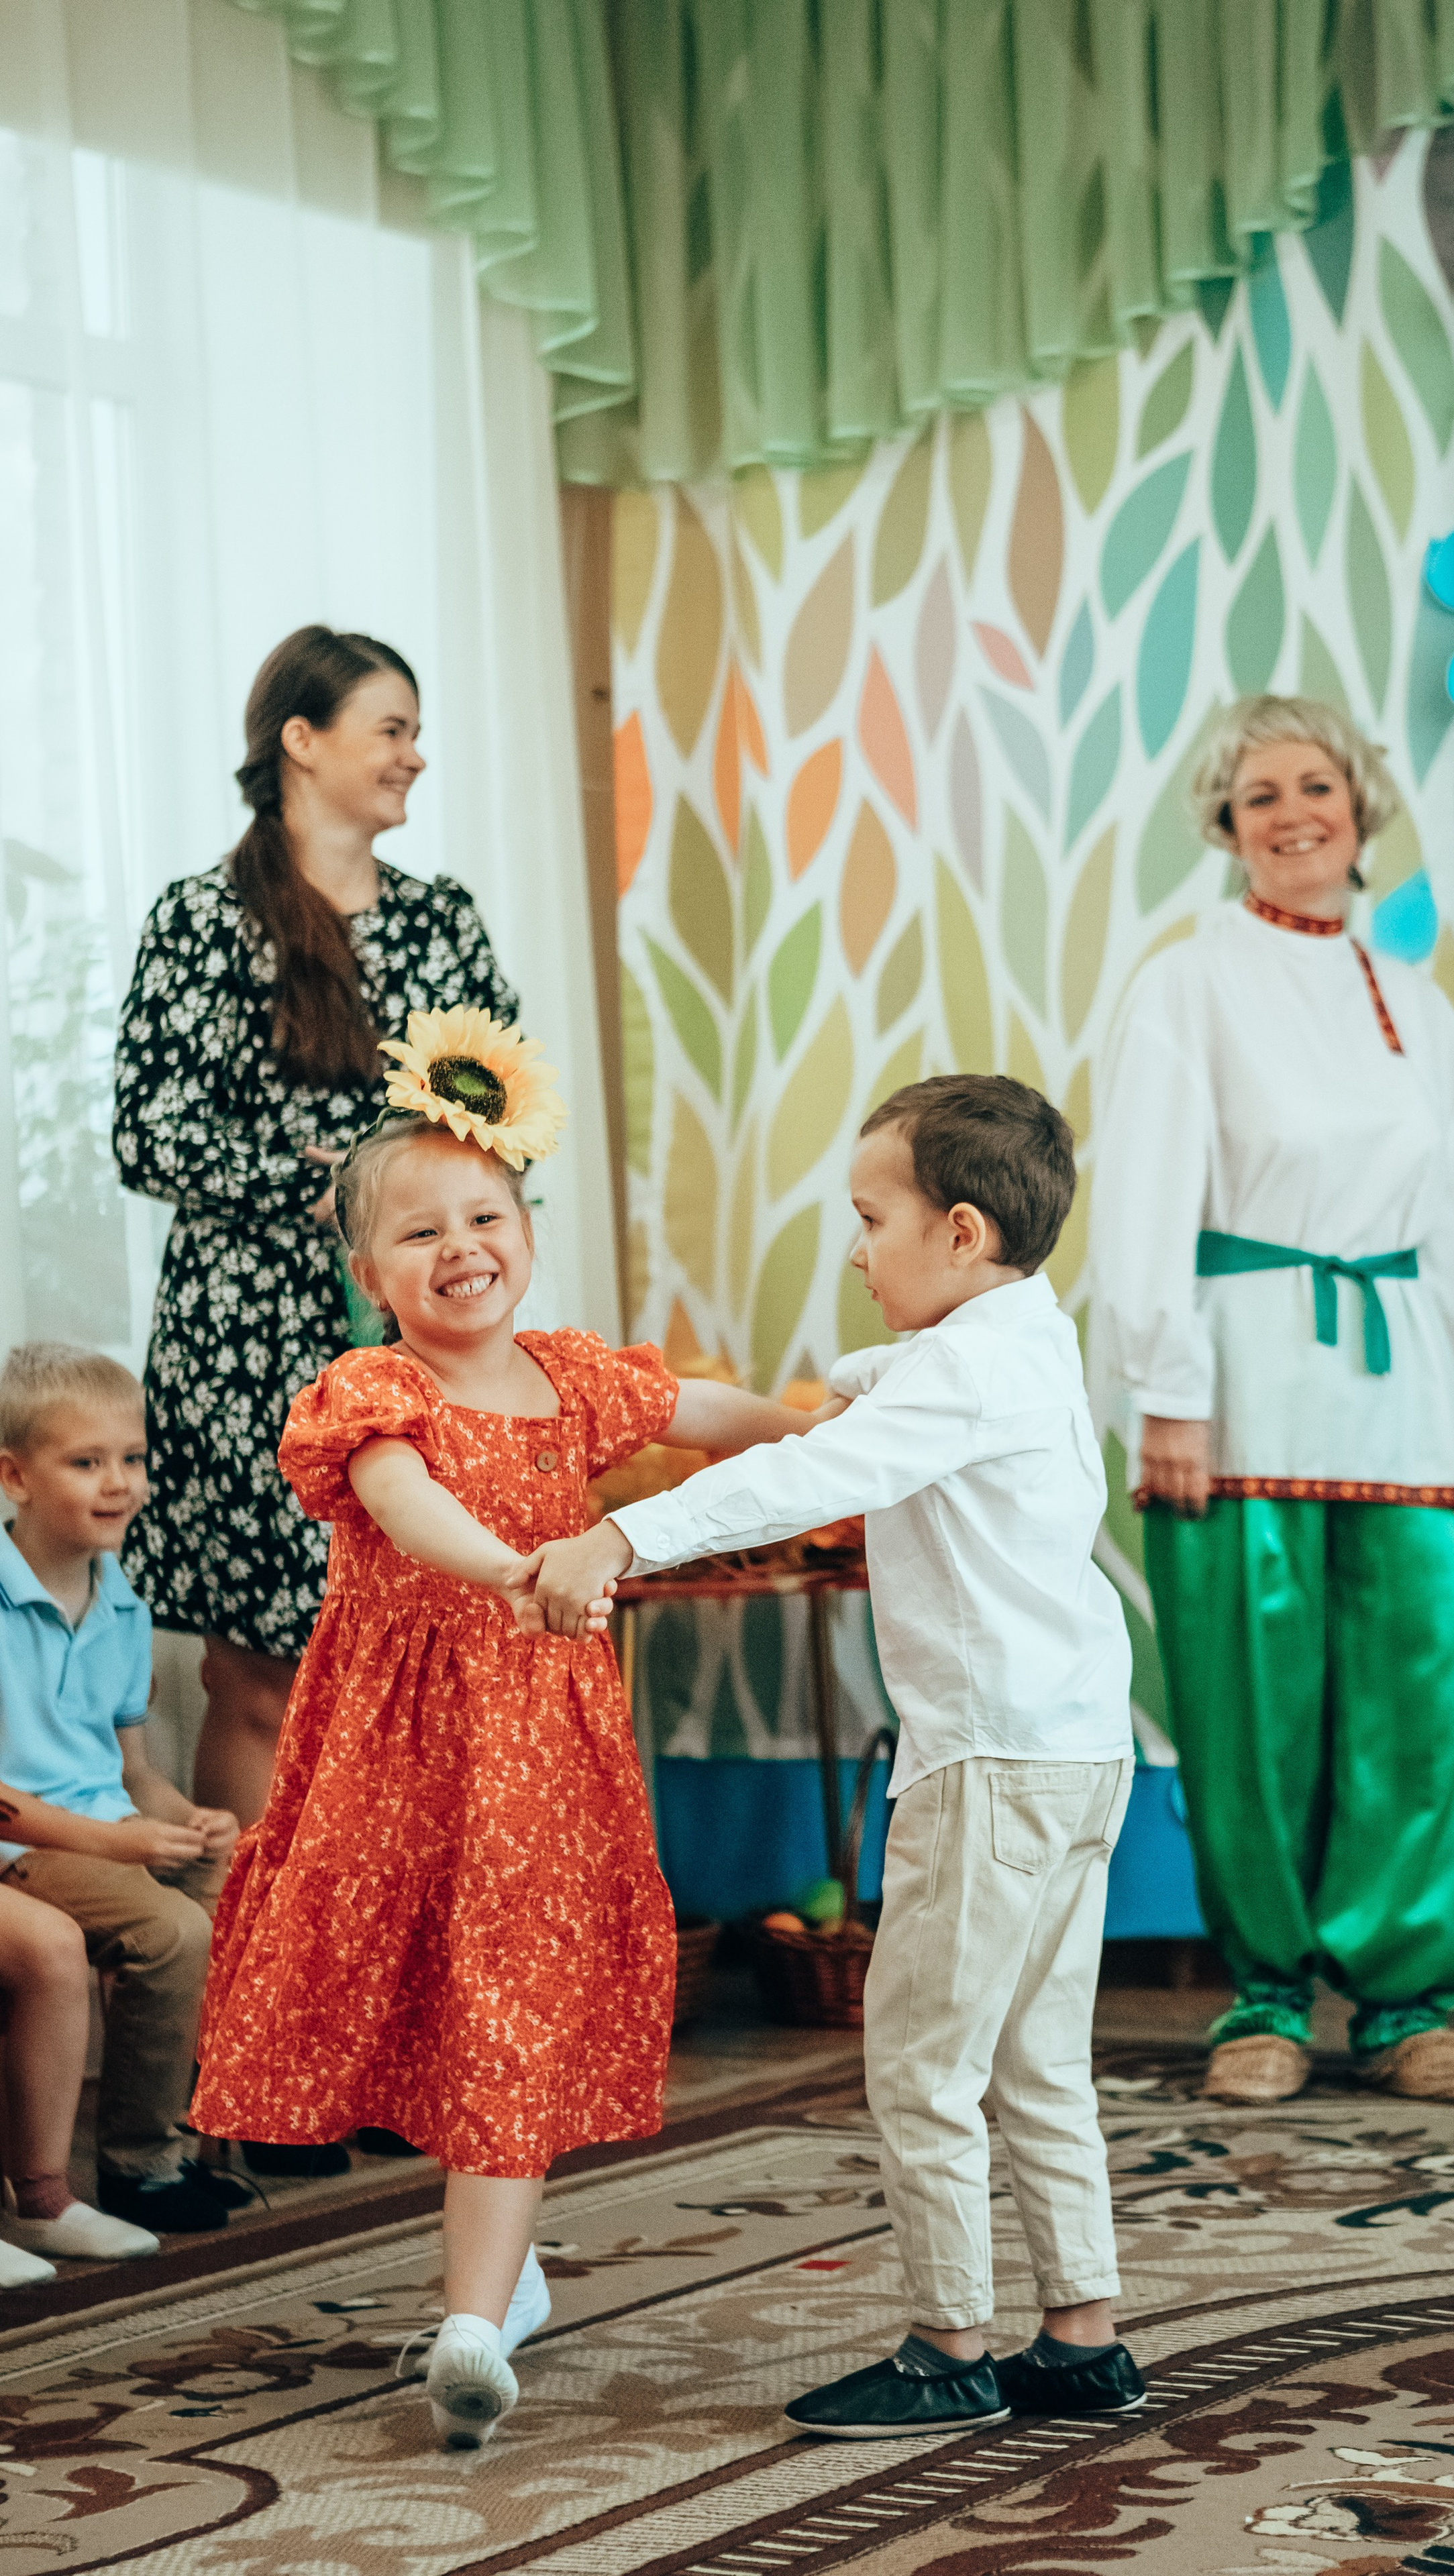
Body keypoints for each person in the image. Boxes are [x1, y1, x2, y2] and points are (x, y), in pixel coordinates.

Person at [189, 1014, 825, 2449]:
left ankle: (474, 2322)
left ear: (528, 1227)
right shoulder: (378, 1392)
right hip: (402, 1754)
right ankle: (507, 2277)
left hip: (542, 1750)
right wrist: (520, 1569)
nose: (460, 1246)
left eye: (486, 1214)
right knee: (416, 1994)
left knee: (509, 2003)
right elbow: (410, 1508)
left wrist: (818, 1430)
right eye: (419, 1234)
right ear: (370, 1278)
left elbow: (708, 1409)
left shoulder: (573, 1377)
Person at [535, 1075, 1144, 2442]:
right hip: (1072, 1753)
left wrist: (617, 1538)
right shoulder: (1017, 1340)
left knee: (921, 2061)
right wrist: (819, 1397)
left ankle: (946, 2346)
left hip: (987, 1762)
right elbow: (872, 1396)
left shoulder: (963, 1374)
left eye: (872, 1220)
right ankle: (1081, 2337)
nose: (855, 1249)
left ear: (963, 1233)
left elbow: (811, 1477)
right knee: (1035, 2059)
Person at [1089, 694, 1454, 2109]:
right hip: (1235, 1384)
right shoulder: (1186, 984)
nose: (1290, 815)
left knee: (1412, 1702)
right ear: (1224, 829)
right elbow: (1148, 1193)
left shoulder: (1411, 996)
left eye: (1313, 787)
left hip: (1395, 1382)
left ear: (1360, 805)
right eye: (1256, 796)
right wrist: (1164, 1391)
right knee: (1250, 1707)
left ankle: (1406, 2005)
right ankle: (1266, 1998)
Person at [112, 625, 517, 1847]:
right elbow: (153, 1135)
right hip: (245, 1346)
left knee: (427, 1664)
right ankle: (251, 1994)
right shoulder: (198, 920)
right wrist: (352, 1189)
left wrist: (434, 1229)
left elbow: (503, 1114)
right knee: (260, 1676)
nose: (414, 757)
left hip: (422, 1335)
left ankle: (391, 1990)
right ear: (303, 738)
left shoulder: (443, 919)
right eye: (391, 729)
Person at [0, 1344, 240, 2243]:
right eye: (87, 1462)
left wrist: (182, 1818)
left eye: (132, 1460)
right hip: (26, 1846)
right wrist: (124, 1845)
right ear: (15, 1476)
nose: (120, 1484)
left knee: (233, 1875)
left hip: (104, 1827)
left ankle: (198, 2135)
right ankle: (139, 2163)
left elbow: (130, 1770)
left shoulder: (124, 1604)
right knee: (171, 1931)